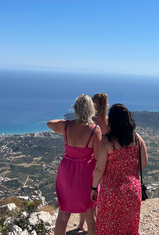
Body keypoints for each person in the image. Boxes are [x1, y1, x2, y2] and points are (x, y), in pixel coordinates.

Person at [47, 94, 102, 235]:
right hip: (86, 175)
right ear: (91, 109)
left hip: (66, 173)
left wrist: (67, 121)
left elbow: (50, 123)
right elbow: (98, 158)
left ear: (75, 109)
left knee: (63, 215)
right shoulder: (95, 130)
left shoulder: (66, 126)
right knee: (91, 217)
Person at [91, 103, 148, 235]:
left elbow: (100, 168)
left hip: (111, 190)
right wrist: (132, 174)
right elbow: (144, 162)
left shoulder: (107, 141)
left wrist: (94, 188)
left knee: (108, 225)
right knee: (129, 227)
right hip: (133, 189)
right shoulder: (137, 138)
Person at [78, 93, 110, 231]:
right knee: (99, 192)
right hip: (107, 158)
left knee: (88, 193)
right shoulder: (109, 121)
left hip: (93, 158)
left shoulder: (92, 121)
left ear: (95, 103)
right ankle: (98, 222)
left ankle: (82, 223)